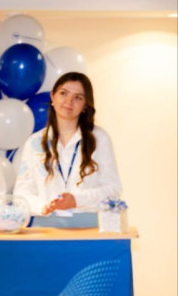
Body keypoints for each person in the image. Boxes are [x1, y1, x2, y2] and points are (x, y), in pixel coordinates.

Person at [14, 72, 122, 217]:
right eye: (63, 93)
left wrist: (76, 200)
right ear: (53, 96)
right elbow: (21, 193)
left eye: (78, 97)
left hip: (88, 225)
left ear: (85, 104)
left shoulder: (99, 138)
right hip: (46, 225)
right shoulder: (35, 142)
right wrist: (44, 206)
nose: (69, 101)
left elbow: (113, 189)